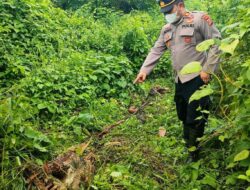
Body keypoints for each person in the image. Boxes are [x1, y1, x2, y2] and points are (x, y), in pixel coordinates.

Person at [133, 0, 221, 162]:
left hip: (197, 78)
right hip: (179, 79)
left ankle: (193, 153)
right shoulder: (167, 29)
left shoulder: (199, 20)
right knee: (182, 113)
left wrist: (208, 69)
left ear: (180, 5)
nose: (168, 15)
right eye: (165, 12)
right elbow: (156, 49)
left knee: (195, 115)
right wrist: (144, 70)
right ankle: (189, 142)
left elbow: (216, 42)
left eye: (170, 10)